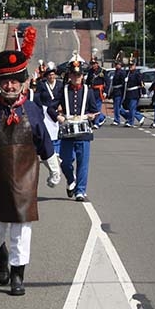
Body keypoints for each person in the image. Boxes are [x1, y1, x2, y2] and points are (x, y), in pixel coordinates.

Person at [0, 48, 60, 296]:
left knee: (21, 230)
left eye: (14, 81)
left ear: (22, 82)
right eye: (5, 81)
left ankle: (17, 275)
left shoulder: (32, 110)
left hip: (25, 179)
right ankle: (0, 255)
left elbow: (43, 140)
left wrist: (53, 167)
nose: (10, 85)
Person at [57, 60, 99, 202]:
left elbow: (95, 110)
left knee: (83, 163)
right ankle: (71, 179)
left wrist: (92, 116)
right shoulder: (63, 90)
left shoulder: (88, 91)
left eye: (79, 75)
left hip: (83, 132)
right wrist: (58, 116)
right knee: (65, 162)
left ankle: (80, 191)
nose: (76, 78)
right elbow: (51, 107)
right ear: (69, 76)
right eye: (74, 75)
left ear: (82, 76)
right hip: (68, 131)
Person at [123, 59, 146, 128]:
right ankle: (140, 117)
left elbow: (141, 83)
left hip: (135, 93)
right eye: (129, 65)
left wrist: (143, 91)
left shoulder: (137, 73)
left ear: (135, 66)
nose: (130, 67)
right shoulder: (127, 73)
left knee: (132, 108)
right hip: (128, 93)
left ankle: (130, 122)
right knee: (130, 108)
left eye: (132, 65)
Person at [85, 57, 107, 128]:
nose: (93, 65)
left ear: (97, 63)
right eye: (92, 64)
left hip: (99, 91)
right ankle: (102, 117)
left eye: (94, 63)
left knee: (97, 108)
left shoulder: (102, 71)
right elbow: (88, 82)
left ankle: (96, 123)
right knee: (91, 108)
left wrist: (105, 91)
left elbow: (107, 82)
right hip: (92, 91)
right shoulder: (90, 71)